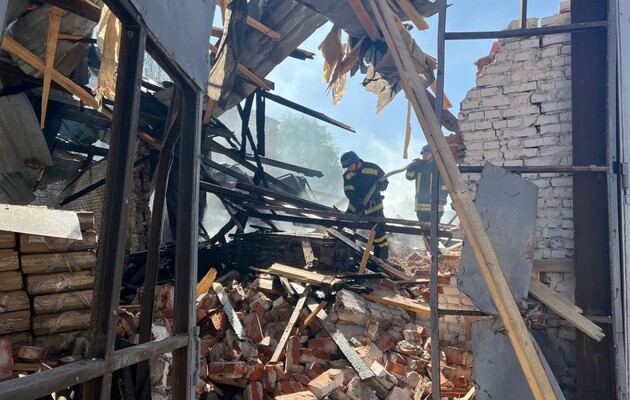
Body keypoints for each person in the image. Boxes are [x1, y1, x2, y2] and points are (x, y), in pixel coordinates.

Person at [340, 150, 390, 261]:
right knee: (346, 227)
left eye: (350, 166)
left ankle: (382, 259)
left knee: (379, 232)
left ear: (356, 162)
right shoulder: (347, 175)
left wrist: (381, 185)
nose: (349, 169)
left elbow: (385, 181)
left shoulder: (373, 168)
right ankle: (347, 254)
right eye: (347, 167)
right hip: (356, 206)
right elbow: (349, 191)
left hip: (374, 206)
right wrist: (357, 202)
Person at [406, 144, 448, 224]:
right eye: (424, 154)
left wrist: (443, 196)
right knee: (423, 230)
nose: (425, 155)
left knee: (435, 229)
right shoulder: (419, 166)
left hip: (436, 206)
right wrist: (411, 168)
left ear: (433, 154)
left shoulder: (438, 167)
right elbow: (409, 177)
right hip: (421, 206)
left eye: (428, 153)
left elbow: (445, 184)